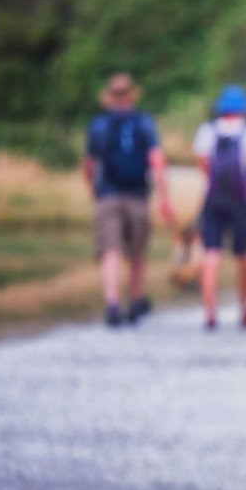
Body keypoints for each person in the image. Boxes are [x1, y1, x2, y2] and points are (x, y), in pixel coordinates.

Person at [83, 73, 175, 327]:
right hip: (138, 196)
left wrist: (94, 190)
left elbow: (89, 164)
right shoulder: (144, 123)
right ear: (132, 96)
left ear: (110, 97)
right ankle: (135, 300)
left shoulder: (99, 125)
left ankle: (112, 304)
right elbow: (157, 162)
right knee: (137, 252)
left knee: (110, 251)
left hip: (107, 195)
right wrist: (165, 198)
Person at [195, 85, 246, 330]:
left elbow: (204, 166)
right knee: (244, 257)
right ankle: (245, 308)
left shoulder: (207, 131)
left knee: (211, 254)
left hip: (213, 200)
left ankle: (210, 311)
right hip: (241, 201)